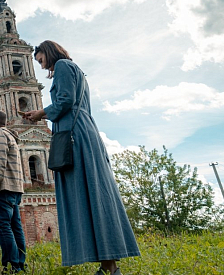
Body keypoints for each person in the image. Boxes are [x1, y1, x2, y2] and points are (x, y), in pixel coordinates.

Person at [23, 40, 140, 275]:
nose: (42, 66)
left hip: (74, 136)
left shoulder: (64, 66)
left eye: (41, 59)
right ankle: (108, 265)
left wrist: (41, 113)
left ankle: (111, 266)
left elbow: (65, 101)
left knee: (89, 195)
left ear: (48, 51)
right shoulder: (74, 70)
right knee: (91, 196)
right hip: (79, 132)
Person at [0, 110, 26, 274]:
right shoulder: (10, 136)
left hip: (3, 189)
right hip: (14, 189)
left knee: (3, 227)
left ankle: (13, 265)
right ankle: (20, 264)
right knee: (15, 227)